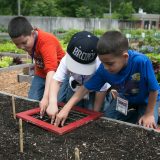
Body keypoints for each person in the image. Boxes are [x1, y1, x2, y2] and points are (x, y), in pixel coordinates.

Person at [52, 30, 160, 129]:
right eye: (102, 62)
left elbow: (154, 90)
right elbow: (85, 88)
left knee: (146, 127)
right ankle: (136, 116)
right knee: (108, 119)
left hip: (148, 100)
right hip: (125, 97)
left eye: (109, 64)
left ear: (125, 57)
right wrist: (66, 108)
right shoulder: (103, 69)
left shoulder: (141, 61)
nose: (105, 67)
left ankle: (143, 115)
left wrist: (149, 114)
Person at [42, 31, 111, 121]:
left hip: (94, 90)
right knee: (73, 112)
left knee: (91, 111)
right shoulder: (65, 60)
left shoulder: (100, 64)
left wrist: (95, 113)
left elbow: (101, 90)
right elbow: (56, 80)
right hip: (75, 85)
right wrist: (52, 102)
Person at [8, 16, 65, 109]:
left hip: (58, 74)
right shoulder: (29, 42)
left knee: (55, 103)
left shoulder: (46, 41)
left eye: (24, 42)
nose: (21, 47)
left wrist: (46, 98)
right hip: (41, 73)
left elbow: (51, 71)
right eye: (17, 44)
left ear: (33, 33)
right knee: (32, 101)